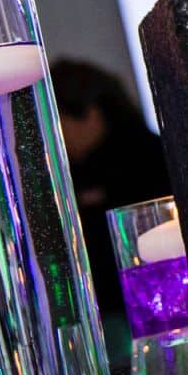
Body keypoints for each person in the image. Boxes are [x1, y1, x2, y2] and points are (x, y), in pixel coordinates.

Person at [50, 59, 172, 318]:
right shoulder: (156, 151)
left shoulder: (147, 161)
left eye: (58, 122)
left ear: (89, 114)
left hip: (148, 309)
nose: (55, 137)